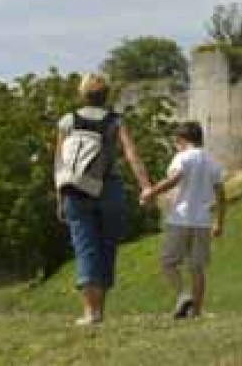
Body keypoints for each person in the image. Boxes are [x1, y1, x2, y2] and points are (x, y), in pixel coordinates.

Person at [55, 73, 151, 326]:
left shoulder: (67, 121)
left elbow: (59, 164)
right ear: (106, 95)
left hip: (76, 189)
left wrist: (59, 198)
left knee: (85, 246)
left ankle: (90, 311)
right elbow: (131, 154)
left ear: (82, 94)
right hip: (110, 188)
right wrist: (145, 187)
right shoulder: (116, 122)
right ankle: (99, 310)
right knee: (107, 247)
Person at [141, 121, 226, 319]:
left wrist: (150, 193)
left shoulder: (182, 157)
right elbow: (221, 195)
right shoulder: (212, 162)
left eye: (175, 142)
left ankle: (183, 295)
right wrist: (219, 222)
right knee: (197, 268)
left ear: (181, 140)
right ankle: (196, 311)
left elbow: (175, 179)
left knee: (168, 262)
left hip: (179, 219)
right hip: (203, 221)